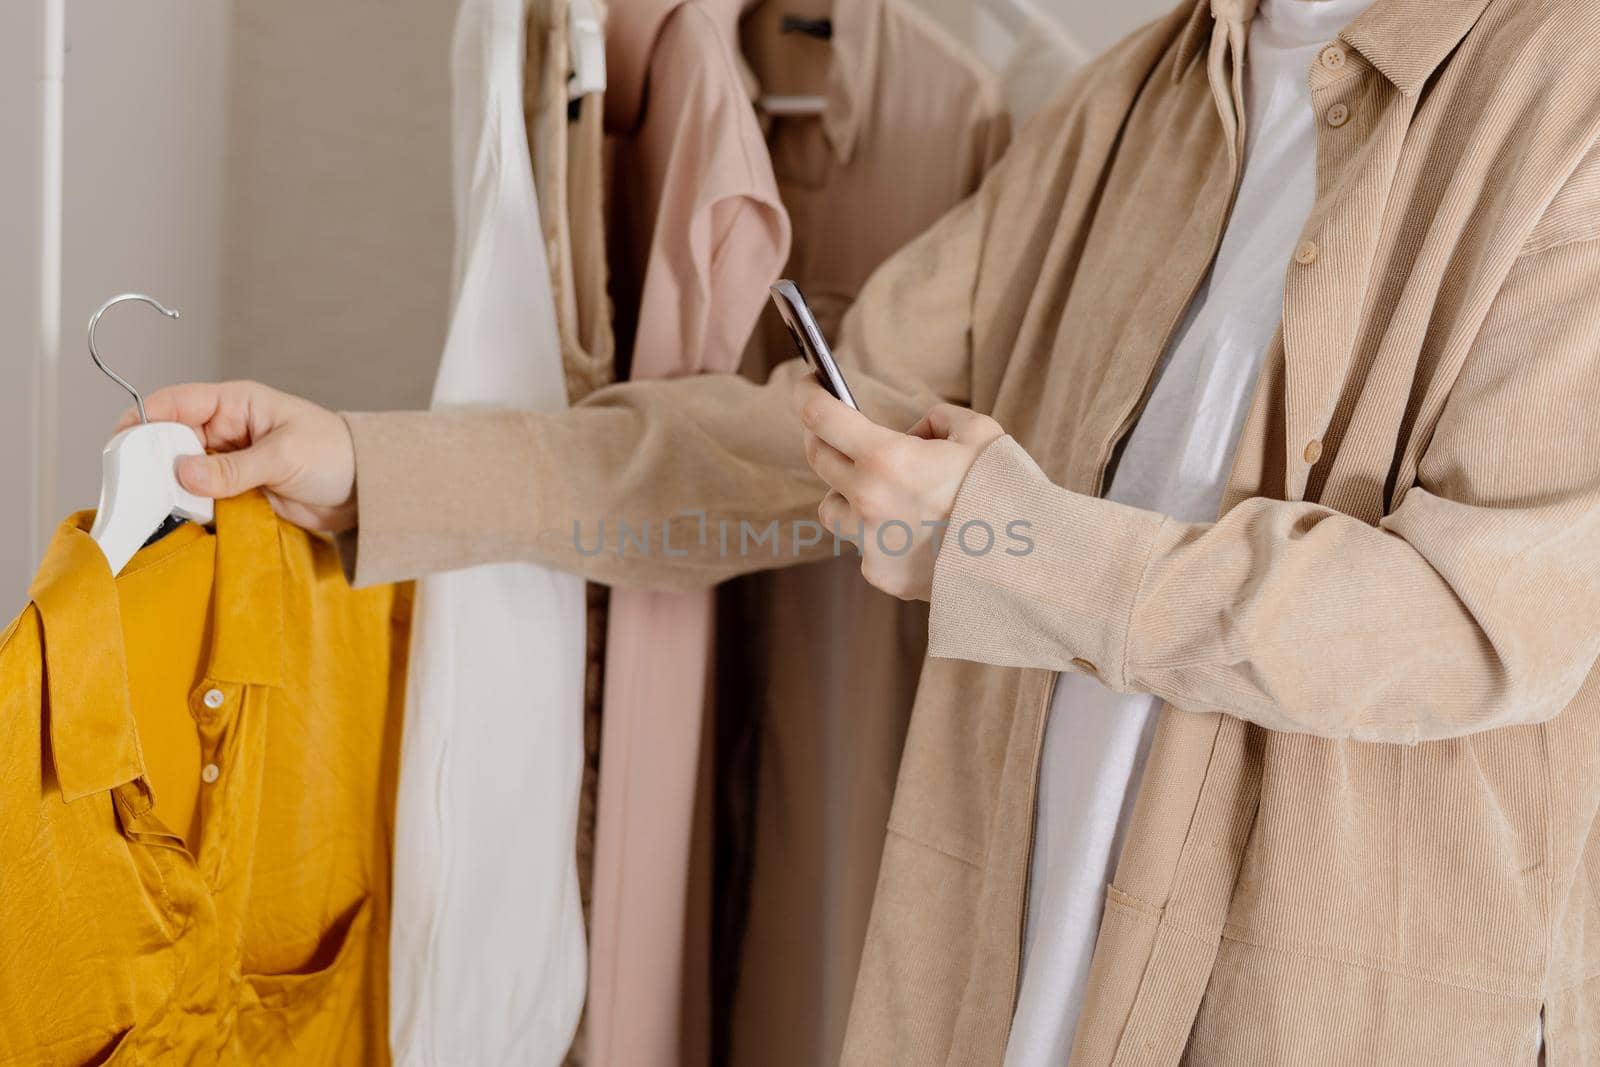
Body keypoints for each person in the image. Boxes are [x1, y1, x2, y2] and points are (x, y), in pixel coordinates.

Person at [126, 0, 1600, 1062]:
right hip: (1008, 987)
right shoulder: (1135, 100)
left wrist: (1005, 544)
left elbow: (1473, 624)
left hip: (1336, 1014)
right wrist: (374, 469)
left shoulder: (1566, 104)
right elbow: (812, 438)